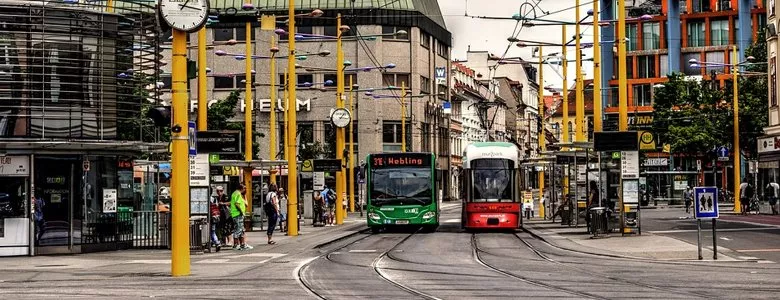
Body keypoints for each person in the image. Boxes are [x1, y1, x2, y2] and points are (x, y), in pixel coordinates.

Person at [230, 184, 252, 250]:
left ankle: (242, 244)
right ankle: (236, 244)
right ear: (242, 189)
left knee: (241, 229)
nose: (245, 190)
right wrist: (241, 211)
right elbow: (237, 203)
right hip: (237, 214)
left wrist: (244, 195)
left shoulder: (235, 193)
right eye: (244, 189)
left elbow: (246, 204)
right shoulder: (238, 194)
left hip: (236, 214)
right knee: (238, 229)